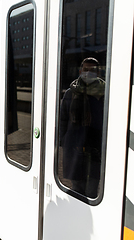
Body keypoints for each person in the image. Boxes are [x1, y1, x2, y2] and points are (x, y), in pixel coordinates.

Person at [59, 57, 105, 198]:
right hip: (75, 147)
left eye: (92, 70)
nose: (88, 73)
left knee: (92, 190)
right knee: (77, 187)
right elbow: (63, 119)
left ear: (98, 73)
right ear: (80, 71)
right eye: (85, 70)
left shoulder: (105, 93)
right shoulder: (70, 93)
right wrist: (63, 141)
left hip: (97, 148)